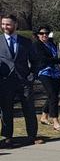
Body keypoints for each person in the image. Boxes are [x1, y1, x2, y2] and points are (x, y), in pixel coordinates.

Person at [0, 14, 41, 146]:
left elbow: (35, 61)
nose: (5, 27)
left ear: (15, 25)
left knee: (29, 109)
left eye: (8, 24)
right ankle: (7, 137)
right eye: (3, 24)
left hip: (24, 81)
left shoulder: (26, 42)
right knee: (6, 111)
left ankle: (32, 136)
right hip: (5, 82)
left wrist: (32, 76)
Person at [33, 26, 60, 132]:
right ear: (38, 35)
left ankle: (44, 116)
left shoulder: (52, 44)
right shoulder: (36, 45)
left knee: (53, 94)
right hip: (44, 72)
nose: (44, 35)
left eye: (46, 33)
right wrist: (57, 60)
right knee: (53, 95)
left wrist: (58, 61)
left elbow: (56, 56)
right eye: (42, 34)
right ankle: (56, 122)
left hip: (56, 72)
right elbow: (43, 59)